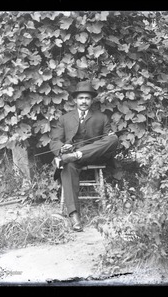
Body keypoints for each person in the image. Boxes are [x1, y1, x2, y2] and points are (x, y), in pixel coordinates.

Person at [49, 80, 119, 232]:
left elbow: (108, 140)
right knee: (67, 165)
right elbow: (54, 141)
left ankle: (77, 154)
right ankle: (74, 215)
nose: (84, 101)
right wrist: (62, 149)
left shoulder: (102, 118)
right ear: (75, 100)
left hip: (94, 155)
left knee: (113, 138)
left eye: (87, 98)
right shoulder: (65, 118)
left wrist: (79, 153)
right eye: (81, 98)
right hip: (71, 158)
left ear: (91, 100)